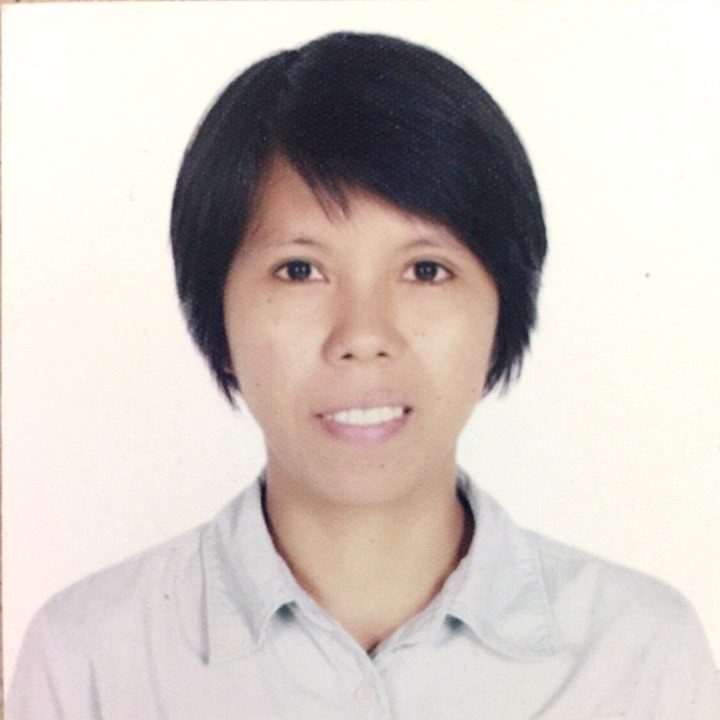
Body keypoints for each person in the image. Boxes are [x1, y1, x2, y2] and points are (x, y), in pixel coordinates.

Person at [8, 31, 719, 720]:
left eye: (425, 270)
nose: (363, 337)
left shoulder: (640, 655)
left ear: (502, 308)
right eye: (300, 270)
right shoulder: (89, 659)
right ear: (216, 313)